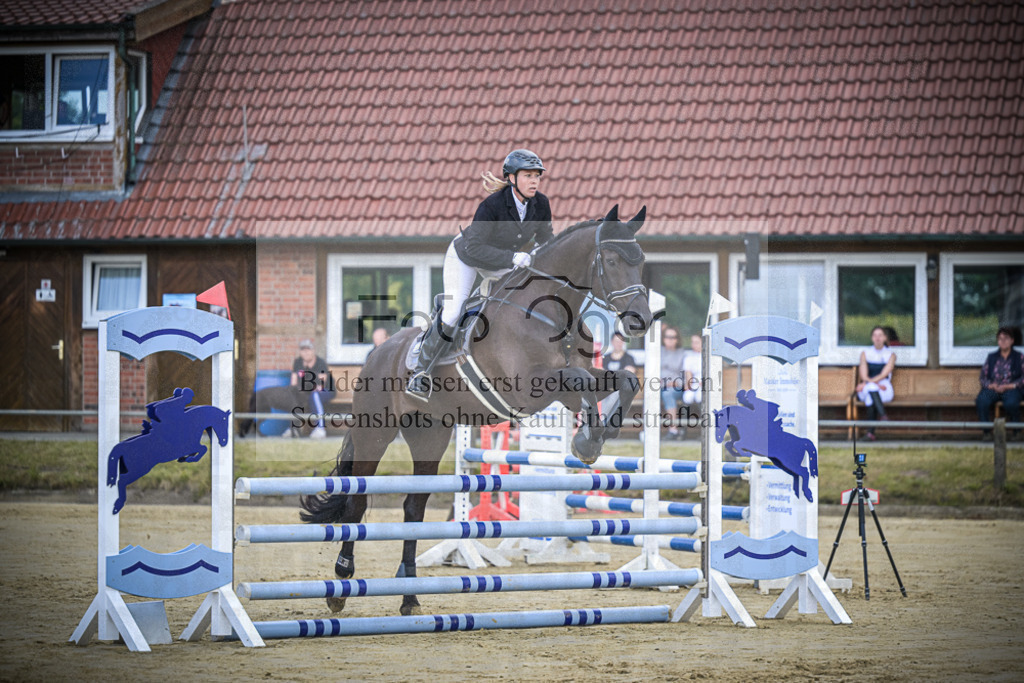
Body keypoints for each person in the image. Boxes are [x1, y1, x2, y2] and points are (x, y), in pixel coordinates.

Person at [407, 149, 553, 399]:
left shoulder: (541, 204)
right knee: (455, 310)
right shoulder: (492, 205)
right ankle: (421, 372)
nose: (534, 182)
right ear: (512, 178)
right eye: (528, 176)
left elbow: (546, 239)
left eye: (537, 176)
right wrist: (512, 258)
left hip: (501, 260)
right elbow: (475, 248)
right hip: (466, 257)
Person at [976, 326, 1023, 440]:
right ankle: (987, 432)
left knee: (1011, 403)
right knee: (982, 400)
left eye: (1006, 338)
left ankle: (1017, 432)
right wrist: (991, 385)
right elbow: (982, 377)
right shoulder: (992, 357)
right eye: (1000, 339)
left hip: (1012, 389)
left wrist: (1010, 386)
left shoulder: (1019, 357)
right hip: (994, 388)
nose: (1003, 341)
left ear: (1012, 340)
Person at [856, 326, 896, 441]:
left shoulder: (891, 354)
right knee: (871, 389)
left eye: (880, 335)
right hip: (867, 386)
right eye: (875, 335)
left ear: (885, 338)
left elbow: (884, 374)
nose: (877, 338)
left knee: (871, 394)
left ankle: (870, 434)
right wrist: (871, 384)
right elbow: (863, 375)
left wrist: (870, 384)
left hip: (884, 388)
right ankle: (883, 415)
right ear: (872, 338)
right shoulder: (865, 353)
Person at [290, 339, 334, 438]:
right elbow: (293, 383)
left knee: (315, 395)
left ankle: (320, 428)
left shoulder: (320, 362)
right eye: (303, 350)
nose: (306, 352)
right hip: (307, 391)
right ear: (300, 352)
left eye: (308, 349)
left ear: (313, 351)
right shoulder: (298, 362)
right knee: (293, 395)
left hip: (326, 390)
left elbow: (320, 385)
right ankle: (294, 428)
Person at [660, 326, 687, 439]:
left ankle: (673, 430)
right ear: (663, 338)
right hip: (658, 386)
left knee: (668, 393)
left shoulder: (682, 354)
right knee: (649, 394)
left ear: (677, 339)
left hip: (676, 387)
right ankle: (647, 431)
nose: (670, 340)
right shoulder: (657, 351)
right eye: (667, 337)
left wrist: (675, 383)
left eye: (673, 337)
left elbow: (686, 376)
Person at [682, 333, 703, 417]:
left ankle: (705, 420)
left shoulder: (709, 357)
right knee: (687, 397)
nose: (694, 345)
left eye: (697, 342)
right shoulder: (689, 357)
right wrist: (688, 385)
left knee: (699, 396)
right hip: (695, 383)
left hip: (705, 384)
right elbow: (688, 374)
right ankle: (684, 423)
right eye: (692, 342)